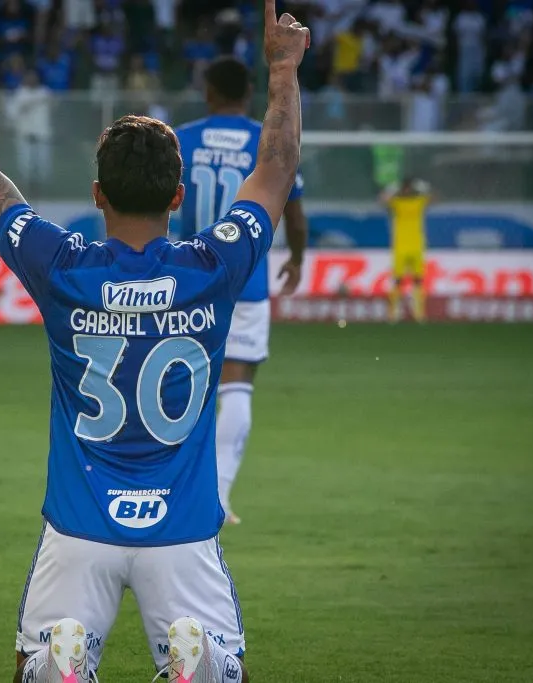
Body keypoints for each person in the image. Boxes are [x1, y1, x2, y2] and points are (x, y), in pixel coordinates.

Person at [0, 1, 308, 681]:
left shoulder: (64, 267)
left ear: (98, 193)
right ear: (177, 198)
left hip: (80, 526)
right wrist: (283, 66)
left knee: (31, 662)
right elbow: (277, 167)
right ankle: (204, 662)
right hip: (185, 531)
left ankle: (59, 659)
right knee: (229, 667)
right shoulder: (214, 265)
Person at [174, 56, 308, 525]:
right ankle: (221, 494)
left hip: (191, 279)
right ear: (247, 93)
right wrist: (296, 257)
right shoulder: (264, 140)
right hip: (246, 279)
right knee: (237, 388)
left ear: (208, 91)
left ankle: (176, 489)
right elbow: (292, 210)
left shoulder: (182, 139)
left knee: (186, 386)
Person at [379, 176, 432, 323]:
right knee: (398, 280)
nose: (407, 190)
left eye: (410, 188)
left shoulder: (418, 201)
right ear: (402, 189)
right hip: (400, 246)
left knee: (418, 280)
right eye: (405, 187)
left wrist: (424, 188)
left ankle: (419, 314)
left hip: (417, 245)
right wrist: (392, 189)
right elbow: (382, 200)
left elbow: (435, 198)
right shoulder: (398, 203)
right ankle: (393, 314)